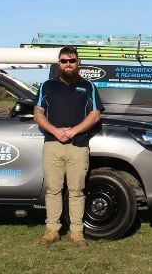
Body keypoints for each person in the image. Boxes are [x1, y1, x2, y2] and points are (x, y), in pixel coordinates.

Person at [33, 45, 104, 246]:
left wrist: (73, 132)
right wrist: (55, 131)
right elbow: (38, 113)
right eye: (64, 61)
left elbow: (95, 114)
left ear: (78, 63)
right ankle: (52, 230)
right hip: (53, 145)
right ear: (59, 64)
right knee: (53, 190)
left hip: (78, 145)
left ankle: (76, 233)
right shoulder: (47, 86)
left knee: (76, 190)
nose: (68, 64)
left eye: (72, 61)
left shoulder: (88, 86)